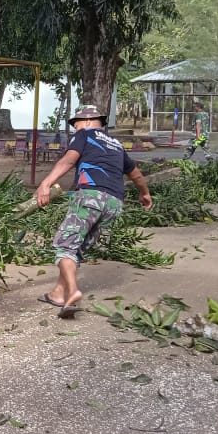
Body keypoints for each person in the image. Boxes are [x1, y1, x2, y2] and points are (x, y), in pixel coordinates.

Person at [35, 105, 152, 319]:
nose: (75, 128)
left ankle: (73, 292)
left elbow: (69, 160)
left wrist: (46, 184)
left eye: (77, 123)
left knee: (65, 245)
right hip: (114, 204)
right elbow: (136, 175)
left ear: (88, 121)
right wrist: (145, 194)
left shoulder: (85, 135)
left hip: (91, 196)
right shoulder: (116, 145)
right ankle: (58, 294)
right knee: (76, 248)